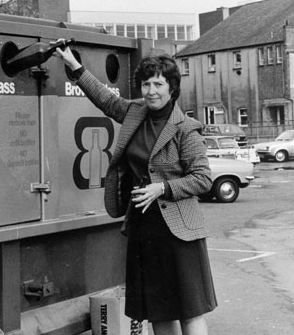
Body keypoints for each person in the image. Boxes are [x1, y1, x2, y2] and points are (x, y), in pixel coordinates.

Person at [54, 47, 217, 335]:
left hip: (178, 231)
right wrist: (74, 65)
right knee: (159, 311)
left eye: (158, 84)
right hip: (145, 227)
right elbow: (104, 99)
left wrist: (162, 188)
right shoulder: (134, 112)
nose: (151, 91)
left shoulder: (186, 128)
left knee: (189, 311)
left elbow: (203, 179)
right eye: (146, 84)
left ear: (172, 88)